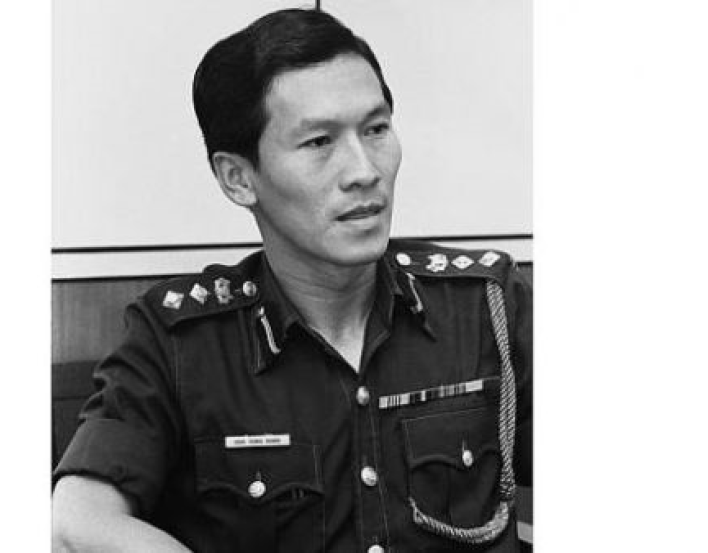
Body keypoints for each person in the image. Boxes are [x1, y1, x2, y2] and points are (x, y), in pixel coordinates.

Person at [52, 8, 532, 553]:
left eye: (376, 129)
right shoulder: (180, 342)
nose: (364, 171)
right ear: (238, 178)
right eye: (319, 142)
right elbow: (76, 522)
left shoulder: (487, 305)